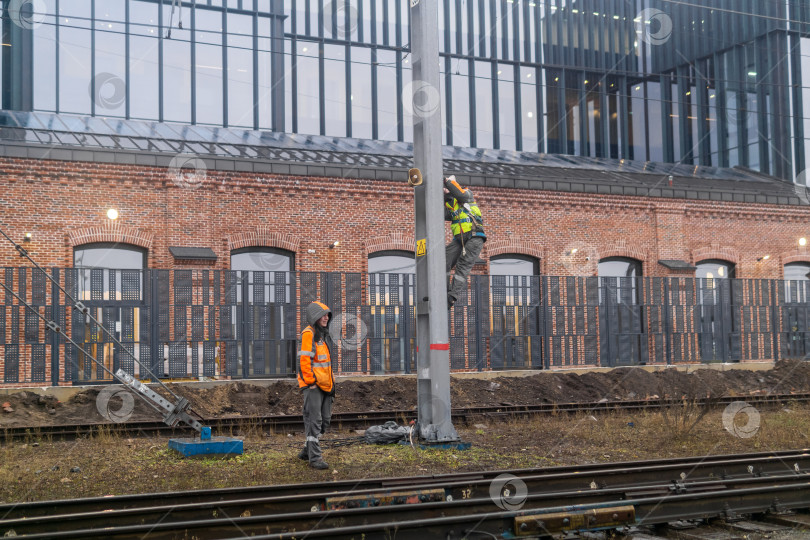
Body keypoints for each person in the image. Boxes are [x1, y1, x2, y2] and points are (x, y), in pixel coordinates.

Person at [296, 301, 336, 470]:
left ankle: (307, 451)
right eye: (323, 315)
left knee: (324, 420)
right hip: (314, 386)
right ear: (315, 317)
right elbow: (304, 360)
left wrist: (332, 384)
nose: (326, 318)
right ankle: (315, 458)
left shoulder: (321, 336)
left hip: (325, 386)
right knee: (315, 421)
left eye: (327, 315)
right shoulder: (309, 334)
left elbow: (325, 365)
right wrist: (311, 382)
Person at [444, 175, 486, 309]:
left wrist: (447, 181)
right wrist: (445, 196)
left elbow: (459, 194)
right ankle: (443, 291)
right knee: (444, 260)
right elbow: (442, 213)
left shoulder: (467, 194)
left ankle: (451, 297)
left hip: (474, 237)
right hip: (459, 240)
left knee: (462, 265)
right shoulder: (452, 207)